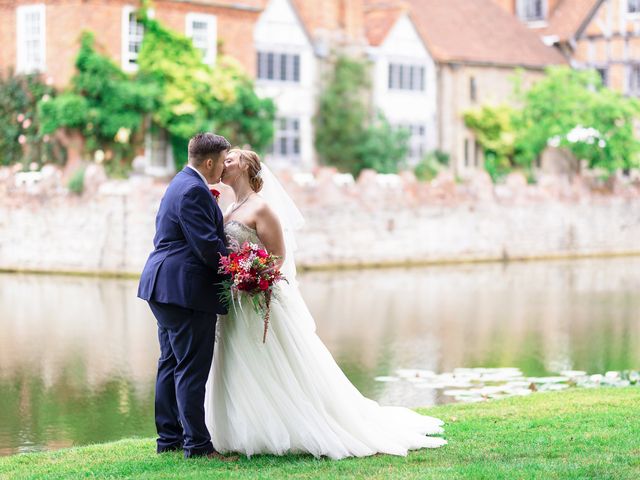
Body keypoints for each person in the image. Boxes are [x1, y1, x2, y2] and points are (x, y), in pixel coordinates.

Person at [205, 149, 447, 459]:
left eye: (230, 159)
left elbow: (279, 257)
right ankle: (244, 428)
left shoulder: (261, 208)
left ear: (247, 167)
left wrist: (254, 277)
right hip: (234, 304)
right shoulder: (230, 207)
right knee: (238, 364)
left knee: (276, 365)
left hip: (256, 300)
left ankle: (299, 424)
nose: (223, 164)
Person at [138, 133, 235, 460]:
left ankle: (169, 438)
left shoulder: (179, 182)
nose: (224, 167)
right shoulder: (194, 190)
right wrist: (237, 271)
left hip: (163, 287)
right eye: (223, 161)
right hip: (184, 290)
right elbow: (207, 247)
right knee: (191, 369)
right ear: (209, 162)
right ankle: (197, 445)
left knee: (171, 363)